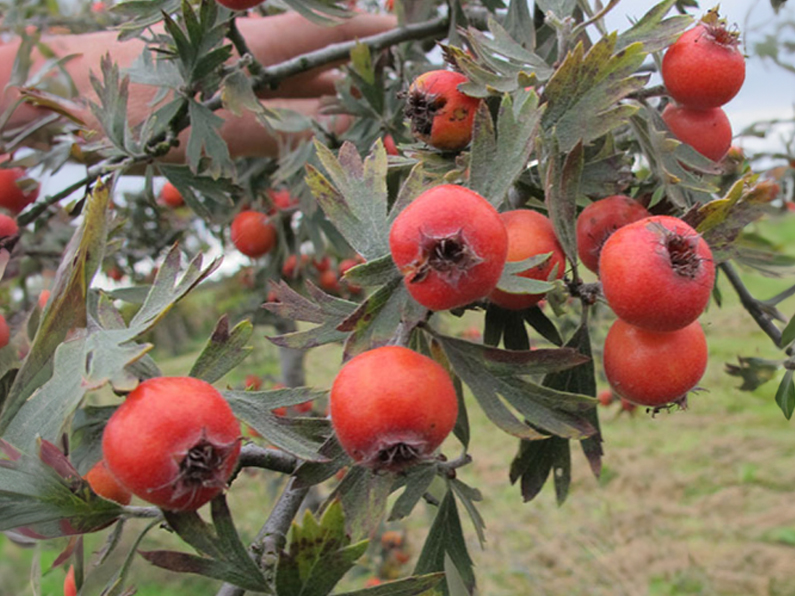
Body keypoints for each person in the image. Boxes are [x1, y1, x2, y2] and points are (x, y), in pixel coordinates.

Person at [0, 10, 397, 160]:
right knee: (338, 124)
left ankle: (432, 31)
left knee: (336, 48)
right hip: (95, 101)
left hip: (100, 85)